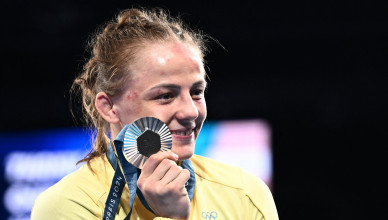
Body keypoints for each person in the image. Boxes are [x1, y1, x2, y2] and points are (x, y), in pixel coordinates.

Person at [31, 8, 278, 220]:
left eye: (196, 92)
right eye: (165, 96)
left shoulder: (245, 194)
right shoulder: (68, 205)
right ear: (109, 108)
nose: (190, 111)